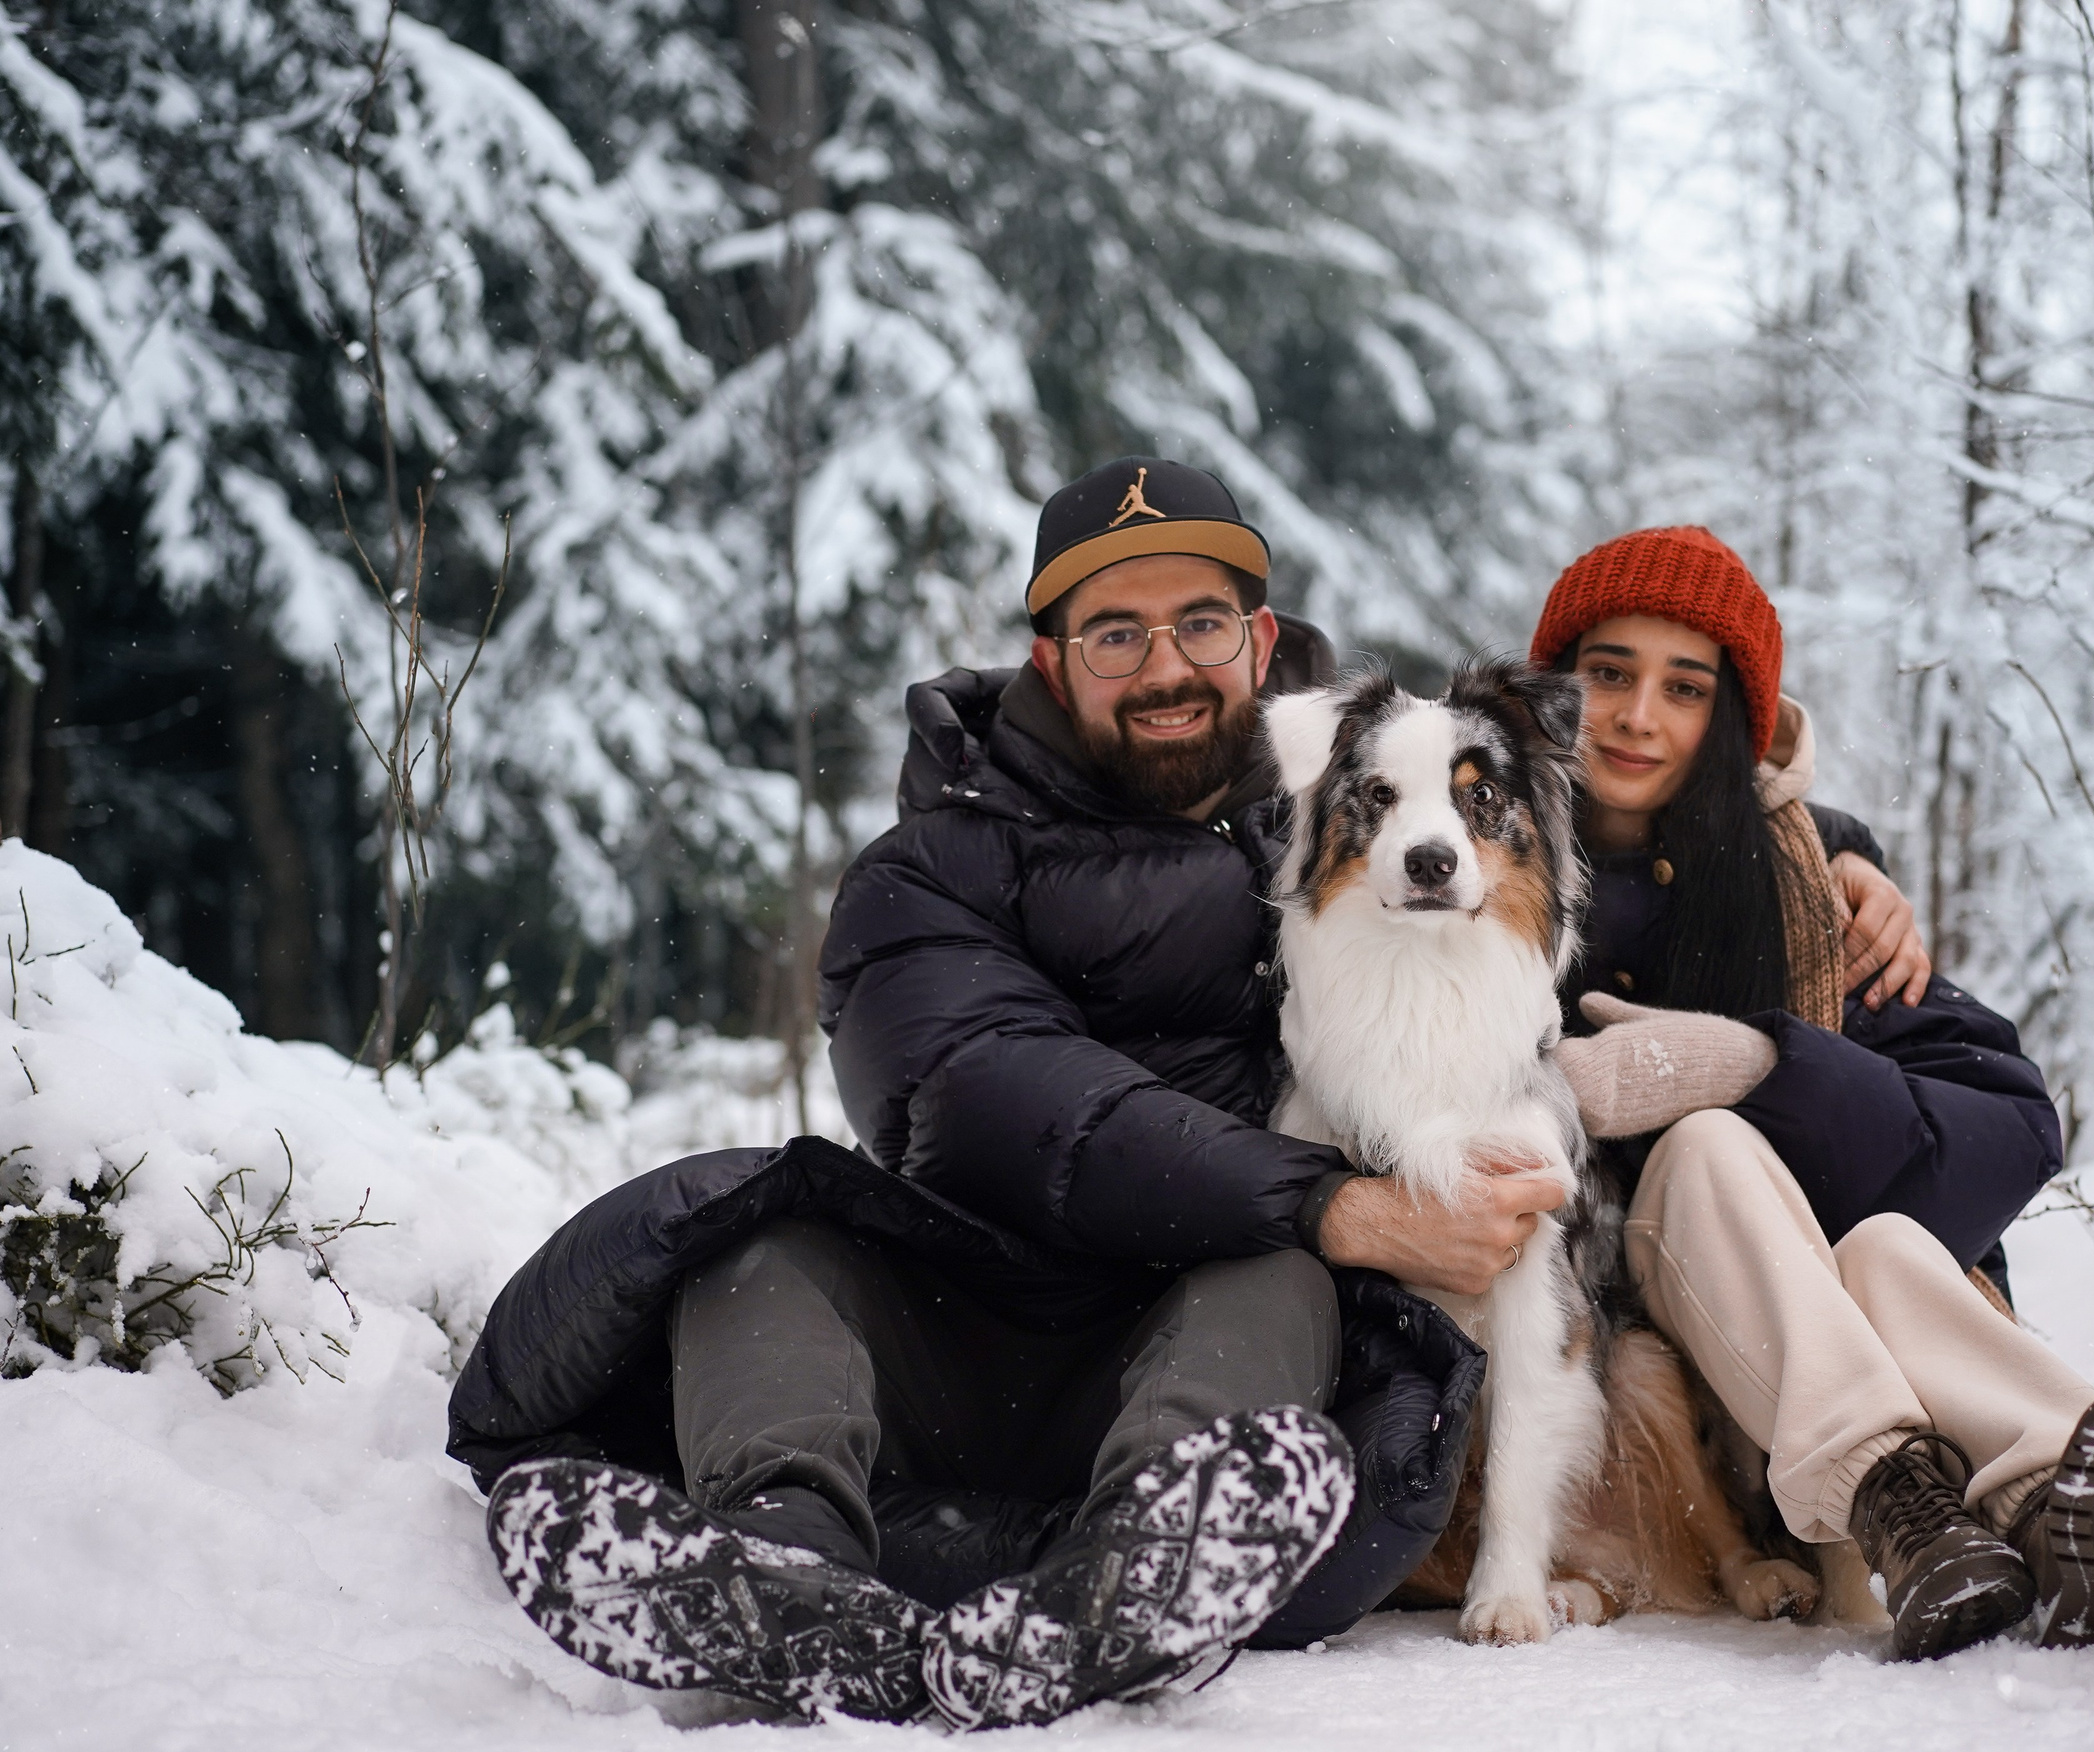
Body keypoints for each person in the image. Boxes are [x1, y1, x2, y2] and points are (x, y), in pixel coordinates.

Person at [447, 458, 1561, 1730]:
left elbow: (1556, 864)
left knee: (1271, 1271)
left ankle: (1138, 1579)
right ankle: (786, 1575)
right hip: (951, 1323)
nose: (1164, 666)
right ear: (1050, 660)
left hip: (1202, 1334)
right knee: (755, 1243)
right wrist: (1333, 1205)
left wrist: (1824, 852)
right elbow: (984, 1093)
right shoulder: (926, 869)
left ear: (1257, 642)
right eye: (1114, 633)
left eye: (1199, 622)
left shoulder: (1347, 827)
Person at [1537, 525, 2094, 1662]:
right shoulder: (1462, 856)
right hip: (1653, 1365)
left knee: (1891, 1244)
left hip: (1824, 1328)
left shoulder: (1811, 881)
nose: (1637, 717)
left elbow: (2005, 1135)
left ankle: (2051, 1502)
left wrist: (1763, 1062)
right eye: (1608, 673)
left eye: (1683, 687)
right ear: (1552, 684)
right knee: (1705, 1150)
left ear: (1731, 717)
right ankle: (1891, 1489)